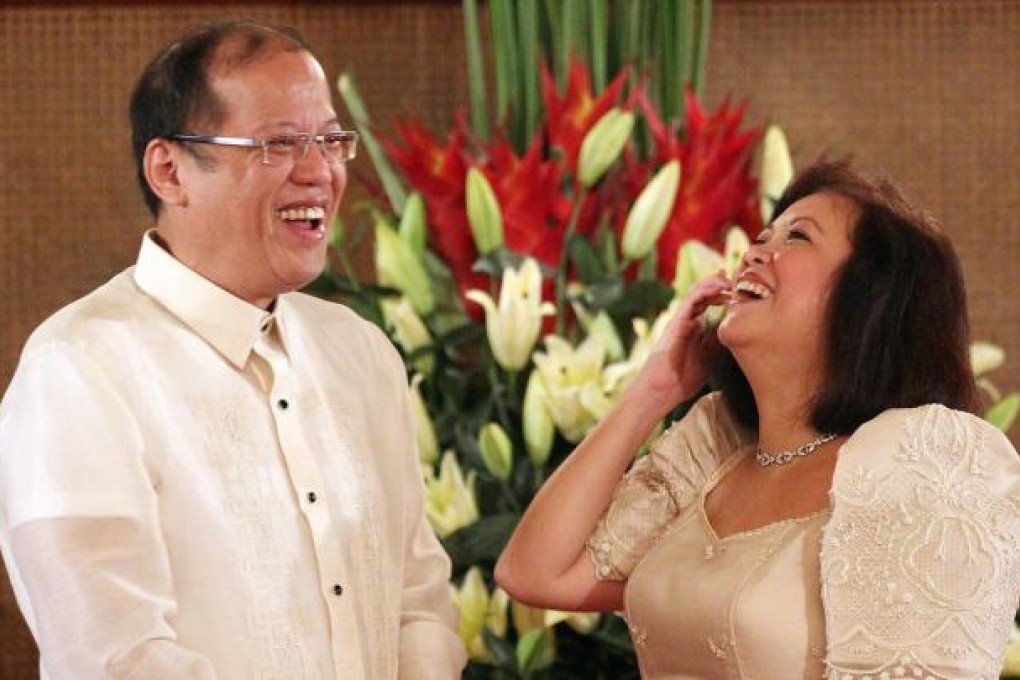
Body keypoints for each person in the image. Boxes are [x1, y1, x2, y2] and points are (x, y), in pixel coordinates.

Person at [0, 19, 465, 679]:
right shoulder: (79, 368)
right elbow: (112, 656)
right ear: (170, 169)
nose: (319, 173)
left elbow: (419, 599)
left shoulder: (359, 352)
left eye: (329, 141)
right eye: (279, 144)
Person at [495, 160, 1020, 678]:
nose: (756, 252)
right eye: (763, 235)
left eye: (797, 237)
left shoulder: (918, 461)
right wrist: (653, 390)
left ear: (870, 299)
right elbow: (535, 572)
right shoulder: (715, 451)